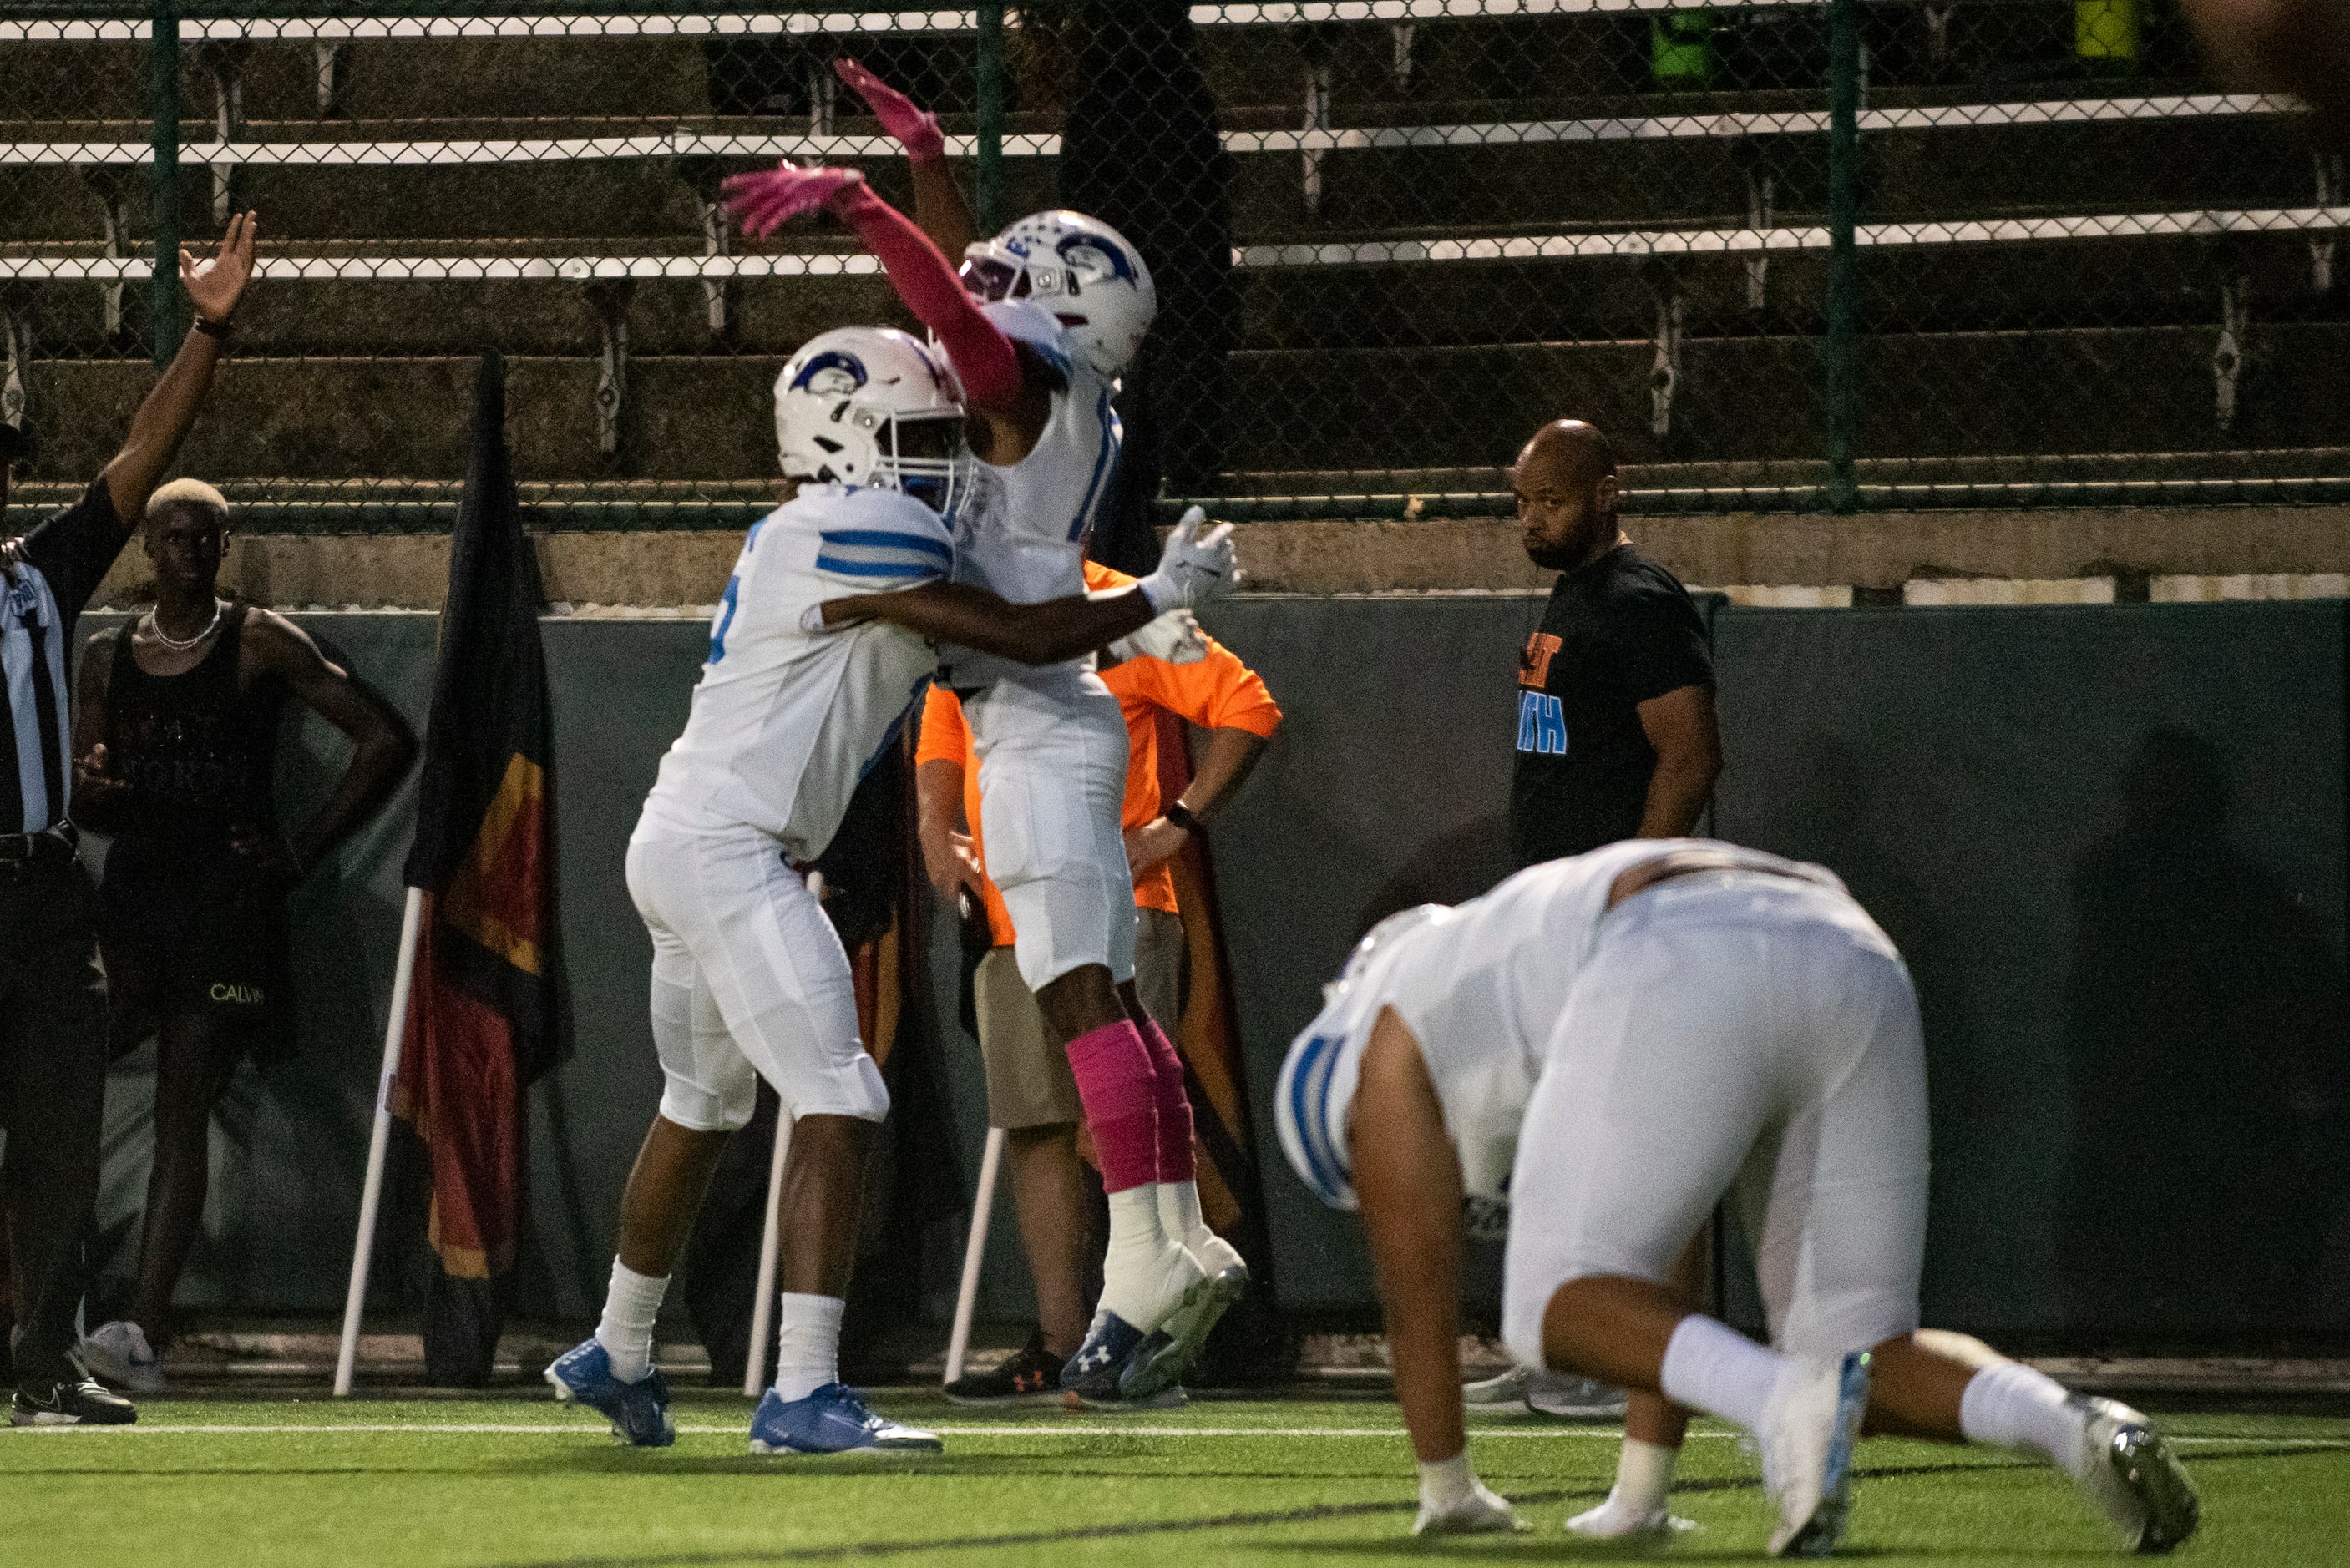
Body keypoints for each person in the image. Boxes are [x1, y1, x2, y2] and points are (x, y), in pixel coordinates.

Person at [543, 326, 1236, 1454]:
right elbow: (1013, 626)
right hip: (732, 848)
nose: (948, 457)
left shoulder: (817, 530)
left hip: (681, 837)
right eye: (921, 436)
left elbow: (998, 644)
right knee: (843, 1095)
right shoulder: (855, 522)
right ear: (846, 442)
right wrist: (1148, 590)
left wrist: (1117, 616)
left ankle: (618, 1346)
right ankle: (803, 1391)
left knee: (702, 1104)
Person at [725, 68, 1246, 1404]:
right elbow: (970, 288)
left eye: (1019, 269)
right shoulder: (1068, 381)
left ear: (1060, 302)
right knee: (1108, 1001)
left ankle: (1144, 1267)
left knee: (1079, 1000)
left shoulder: (1029, 380)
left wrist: (863, 210)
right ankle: (1172, 1241)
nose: (988, 272)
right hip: (1037, 716)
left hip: (1032, 720)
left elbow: (954, 312)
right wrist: (924, 156)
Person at [1275, 840, 2200, 1557]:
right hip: (1848, 946)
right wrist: (1639, 1498)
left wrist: (1448, 1493)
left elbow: (1417, 1287)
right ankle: (2078, 1429)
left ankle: (1785, 1399)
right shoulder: (1513, 963)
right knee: (1863, 1349)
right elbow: (1668, 1257)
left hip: (1679, 947)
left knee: (1543, 1304)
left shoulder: (1391, 1021)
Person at [68, 479, 417, 1393]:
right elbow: (83, 797)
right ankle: (47, 1292)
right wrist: (92, 795)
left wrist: (301, 850)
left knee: (187, 1101)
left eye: (204, 537)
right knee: (59, 1070)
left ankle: (141, 1329)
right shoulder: (106, 656)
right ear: (146, 548)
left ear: (223, 547)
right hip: (136, 900)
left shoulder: (257, 639)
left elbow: (385, 736)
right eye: (172, 536)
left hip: (227, 906)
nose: (187, 551)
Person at [0, 210, 257, 1426]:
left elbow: (148, 447)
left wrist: (210, 326)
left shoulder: (42, 573)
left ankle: (42, 1360)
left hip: (49, 891)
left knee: (58, 1136)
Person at [919, 571, 1281, 1405]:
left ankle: (1154, 1279)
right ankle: (1124, 1293)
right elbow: (944, 715)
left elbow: (1246, 704)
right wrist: (937, 828)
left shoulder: (1102, 605)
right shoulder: (1001, 601)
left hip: (1081, 851)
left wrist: (1175, 825)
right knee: (1053, 1110)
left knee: (1099, 1062)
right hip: (1026, 873)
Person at [1507, 419, 1719, 869]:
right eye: (1522, 502)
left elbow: (1692, 758)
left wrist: (1632, 878)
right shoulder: (1579, 585)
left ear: (1605, 495)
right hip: (1558, 884)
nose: (1531, 520)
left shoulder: (1638, 600)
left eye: (1550, 501)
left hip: (1603, 890)